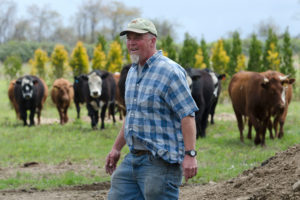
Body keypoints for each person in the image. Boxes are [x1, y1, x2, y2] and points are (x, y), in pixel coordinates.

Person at [105, 17, 199, 200]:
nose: (131, 43)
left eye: (137, 37)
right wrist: (116, 148)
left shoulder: (170, 72)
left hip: (161, 161)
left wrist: (190, 154)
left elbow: (187, 115)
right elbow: (132, 114)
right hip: (133, 159)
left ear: (152, 41)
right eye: (129, 38)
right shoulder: (133, 72)